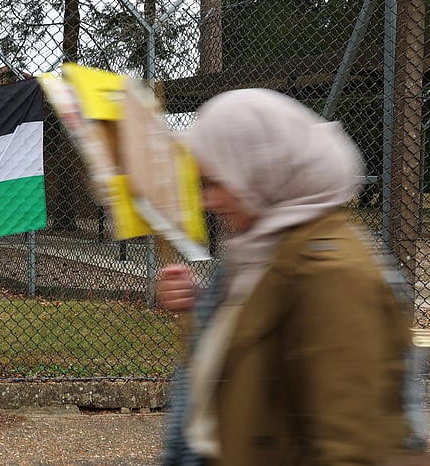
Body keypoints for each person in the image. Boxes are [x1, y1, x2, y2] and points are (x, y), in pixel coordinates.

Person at [156, 88, 426, 465]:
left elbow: (353, 448)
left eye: (217, 182)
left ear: (263, 171)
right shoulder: (262, 249)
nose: (208, 201)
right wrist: (202, 307)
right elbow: (248, 360)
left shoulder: (331, 275)